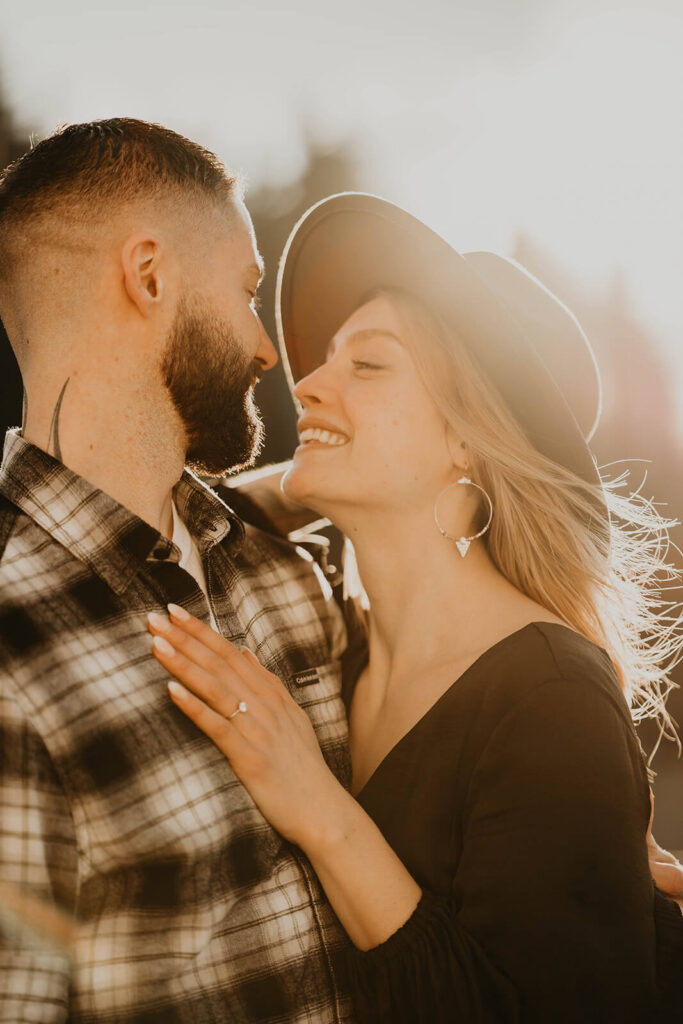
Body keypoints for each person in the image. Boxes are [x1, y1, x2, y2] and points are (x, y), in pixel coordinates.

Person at [149, 193, 683, 1022]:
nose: (310, 386)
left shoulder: (550, 700)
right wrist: (299, 490)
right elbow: (157, 525)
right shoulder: (334, 639)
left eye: (367, 365)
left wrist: (322, 812)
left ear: (468, 436)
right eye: (325, 361)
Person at [0, 121, 355, 1023]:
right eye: (245, 292)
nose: (266, 348)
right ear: (149, 275)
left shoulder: (286, 573)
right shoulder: (12, 654)